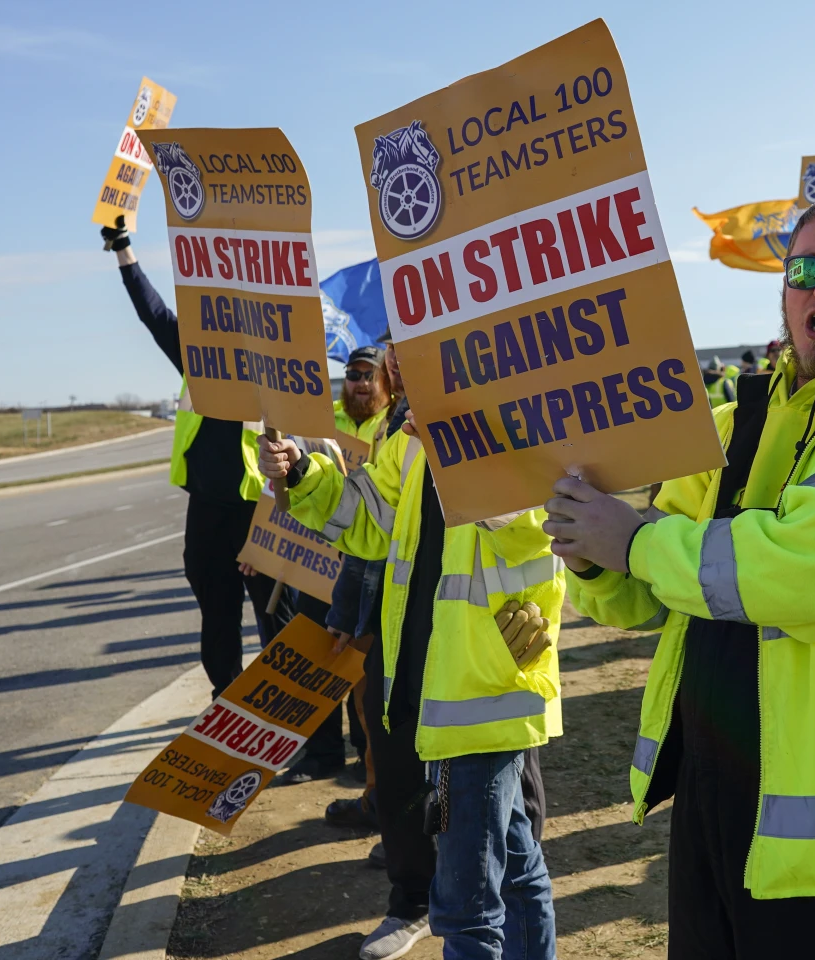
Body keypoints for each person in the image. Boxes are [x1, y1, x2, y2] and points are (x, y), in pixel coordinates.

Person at [545, 194, 815, 958]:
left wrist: (638, 543)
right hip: (721, 806)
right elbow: (647, 593)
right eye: (806, 269)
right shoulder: (733, 424)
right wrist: (591, 547)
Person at [257, 417, 562, 960]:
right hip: (431, 685)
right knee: (514, 869)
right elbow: (366, 521)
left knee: (467, 910)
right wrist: (302, 472)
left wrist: (456, 445)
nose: (397, 359)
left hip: (481, 689)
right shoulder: (410, 437)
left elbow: (538, 528)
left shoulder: (520, 413)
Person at [100, 216, 281, 698]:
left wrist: (265, 529)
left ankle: (291, 715)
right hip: (206, 507)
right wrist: (123, 250)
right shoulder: (199, 356)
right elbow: (153, 312)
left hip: (255, 509)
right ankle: (227, 700)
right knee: (216, 613)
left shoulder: (272, 368)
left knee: (274, 616)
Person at [283, 345, 395, 784]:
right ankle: (333, 758)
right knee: (330, 664)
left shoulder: (396, 429)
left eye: (371, 375)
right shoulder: (321, 419)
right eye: (353, 374)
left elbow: (373, 522)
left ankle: (371, 773)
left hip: (366, 570)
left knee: (370, 691)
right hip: (321, 565)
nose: (361, 382)